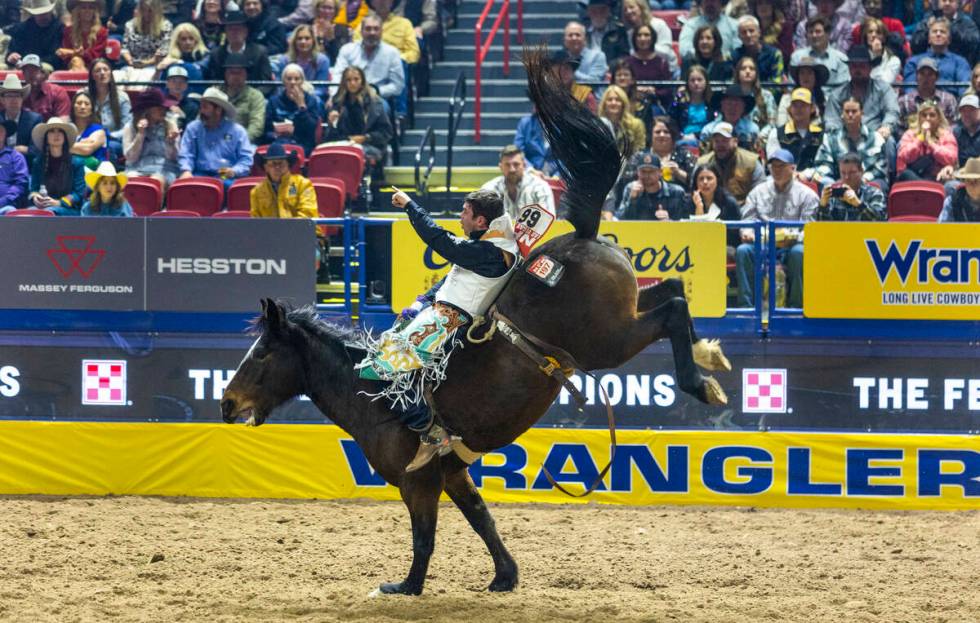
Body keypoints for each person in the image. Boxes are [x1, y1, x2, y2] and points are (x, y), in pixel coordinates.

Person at [357, 188, 518, 471]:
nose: (460, 216)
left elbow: (440, 241)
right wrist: (422, 301)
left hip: (449, 322)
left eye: (465, 212)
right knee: (383, 358)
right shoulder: (489, 245)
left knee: (382, 366)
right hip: (439, 314)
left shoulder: (489, 252)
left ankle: (430, 432)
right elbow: (453, 276)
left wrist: (410, 206)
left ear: (481, 221)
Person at [736, 148, 817, 309]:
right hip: (762, 244)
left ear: (793, 168)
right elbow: (747, 221)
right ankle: (746, 308)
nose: (777, 170)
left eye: (782, 166)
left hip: (791, 245)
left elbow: (809, 229)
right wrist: (747, 233)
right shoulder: (757, 192)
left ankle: (796, 307)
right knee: (743, 250)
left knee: (799, 252)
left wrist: (788, 238)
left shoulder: (808, 195)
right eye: (773, 166)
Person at [178, 86, 255, 187]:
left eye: (205, 107)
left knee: (231, 187)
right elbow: (186, 153)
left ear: (218, 110)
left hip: (226, 176)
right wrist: (186, 170)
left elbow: (246, 159)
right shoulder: (193, 128)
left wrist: (234, 171)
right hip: (199, 174)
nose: (201, 111)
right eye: (201, 107)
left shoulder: (237, 131)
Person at [323, 65, 393, 168]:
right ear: (344, 82)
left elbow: (386, 133)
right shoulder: (337, 102)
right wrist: (332, 123)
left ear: (362, 81)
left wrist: (366, 138)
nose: (353, 83)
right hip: (343, 143)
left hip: (370, 145)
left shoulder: (375, 103)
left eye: (356, 79)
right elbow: (330, 137)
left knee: (354, 154)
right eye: (349, 80)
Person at [823, 45, 898, 141]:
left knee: (890, 141)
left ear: (870, 68)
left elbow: (892, 111)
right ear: (849, 69)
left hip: (876, 136)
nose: (857, 70)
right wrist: (840, 135)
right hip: (844, 139)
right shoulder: (837, 94)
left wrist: (886, 127)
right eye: (854, 66)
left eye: (862, 66)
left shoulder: (883, 89)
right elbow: (831, 120)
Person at [814, 97, 887, 190]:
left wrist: (863, 179)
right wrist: (840, 181)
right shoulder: (830, 138)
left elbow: (880, 168)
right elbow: (824, 163)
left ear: (862, 113)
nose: (850, 115)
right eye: (847, 111)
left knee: (878, 185)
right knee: (825, 182)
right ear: (842, 114)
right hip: (838, 181)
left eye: (854, 111)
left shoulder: (876, 138)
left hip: (868, 181)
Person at [331, 13, 404, 105]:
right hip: (349, 96)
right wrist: (334, 96)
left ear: (382, 31)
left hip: (378, 98)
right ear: (361, 31)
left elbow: (397, 86)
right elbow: (337, 76)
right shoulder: (347, 50)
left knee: (378, 108)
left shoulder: (392, 53)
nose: (372, 33)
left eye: (376, 29)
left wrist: (375, 91)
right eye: (368, 29)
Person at [204, 5, 274, 93]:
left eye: (238, 29)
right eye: (230, 29)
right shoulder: (216, 54)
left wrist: (254, 96)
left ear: (246, 32)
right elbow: (212, 82)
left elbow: (266, 83)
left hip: (253, 98)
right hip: (224, 97)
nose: (234, 33)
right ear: (225, 32)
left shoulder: (259, 52)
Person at [123, 87, 180, 188]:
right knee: (132, 180)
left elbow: (175, 158)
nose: (164, 110)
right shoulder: (130, 126)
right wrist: (140, 135)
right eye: (159, 108)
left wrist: (170, 143)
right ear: (147, 110)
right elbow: (131, 158)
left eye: (164, 107)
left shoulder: (170, 125)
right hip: (137, 168)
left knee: (155, 182)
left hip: (164, 169)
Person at [27, 117, 86, 215]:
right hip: (43, 207)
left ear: (65, 137)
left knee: (49, 212)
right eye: (52, 131)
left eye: (60, 131)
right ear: (46, 137)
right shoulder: (38, 162)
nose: (56, 134)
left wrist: (59, 202)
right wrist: (35, 197)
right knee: (28, 213)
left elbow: (79, 194)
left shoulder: (77, 163)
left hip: (68, 209)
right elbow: (34, 188)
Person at [696, 121, 765, 203]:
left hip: (744, 210)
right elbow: (695, 191)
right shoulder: (702, 163)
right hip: (710, 210)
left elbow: (761, 193)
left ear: (735, 142)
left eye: (725, 141)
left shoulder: (751, 162)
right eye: (716, 141)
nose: (720, 145)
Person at [480, 145, 554, 220]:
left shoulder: (540, 187)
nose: (512, 169)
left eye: (516, 164)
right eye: (507, 165)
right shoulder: (489, 189)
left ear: (524, 165)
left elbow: (548, 222)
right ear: (500, 166)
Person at [903, 17, 971, 96]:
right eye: (934, 31)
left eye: (942, 32)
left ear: (949, 39)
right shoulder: (913, 62)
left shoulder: (960, 62)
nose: (938, 34)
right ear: (929, 39)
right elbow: (909, 90)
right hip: (920, 104)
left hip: (952, 104)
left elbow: (964, 90)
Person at [264, 63, 322, 156]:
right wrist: (275, 134)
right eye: (289, 79)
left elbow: (312, 129)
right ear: (284, 81)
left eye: (296, 79)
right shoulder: (274, 101)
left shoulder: (311, 100)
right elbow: (266, 130)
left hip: (302, 143)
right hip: (278, 142)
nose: (293, 82)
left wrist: (301, 105)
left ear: (302, 81)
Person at [613, 151, 687, 220]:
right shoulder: (630, 188)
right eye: (643, 171)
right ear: (637, 172)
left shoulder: (676, 192)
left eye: (651, 171)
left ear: (660, 172)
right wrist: (632, 200)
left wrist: (669, 222)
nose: (647, 175)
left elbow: (686, 223)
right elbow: (619, 219)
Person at [896, 101, 958, 182]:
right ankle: (925, 188)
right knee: (906, 174)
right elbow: (903, 158)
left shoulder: (946, 135)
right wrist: (920, 139)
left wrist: (931, 144)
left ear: (938, 118)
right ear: (919, 118)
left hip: (937, 178)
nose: (927, 118)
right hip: (912, 178)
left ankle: (926, 188)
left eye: (932, 115)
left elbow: (952, 159)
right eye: (924, 115)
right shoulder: (910, 134)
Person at [767, 87, 823, 177]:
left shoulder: (821, 134)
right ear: (790, 108)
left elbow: (824, 164)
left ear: (812, 108)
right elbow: (773, 161)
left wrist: (806, 175)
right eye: (795, 105)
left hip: (813, 178)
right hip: (784, 177)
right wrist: (791, 174)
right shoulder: (777, 133)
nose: (798, 109)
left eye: (803, 105)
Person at [83, 58, 132, 159]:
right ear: (92, 76)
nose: (102, 73)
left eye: (105, 69)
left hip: (113, 140)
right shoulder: (83, 95)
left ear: (111, 72)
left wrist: (107, 135)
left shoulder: (122, 97)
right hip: (88, 139)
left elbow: (128, 128)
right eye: (98, 70)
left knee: (107, 148)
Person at [817, 151, 886, 221]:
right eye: (843, 173)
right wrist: (823, 206)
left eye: (852, 172)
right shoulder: (832, 195)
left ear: (861, 171)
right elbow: (821, 228)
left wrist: (859, 204)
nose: (847, 177)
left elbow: (880, 222)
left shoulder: (874, 193)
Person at [897, 58, 958, 134]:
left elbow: (954, 126)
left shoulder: (948, 100)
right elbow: (899, 127)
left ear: (937, 77)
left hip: (942, 141)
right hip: (911, 141)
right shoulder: (904, 101)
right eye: (922, 74)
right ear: (916, 76)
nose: (926, 78)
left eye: (930, 74)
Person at [272, 24, 330, 102]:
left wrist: (304, 96)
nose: (303, 42)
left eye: (307, 38)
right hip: (288, 97)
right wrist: (292, 95)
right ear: (294, 41)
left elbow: (321, 89)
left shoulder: (323, 60)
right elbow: (280, 86)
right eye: (299, 39)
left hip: (312, 98)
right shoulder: (284, 60)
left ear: (313, 40)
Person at [620, 0, 679, 76]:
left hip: (668, 70)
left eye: (631, 7)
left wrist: (646, 47)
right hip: (642, 72)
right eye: (625, 9)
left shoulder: (659, 24)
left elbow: (666, 52)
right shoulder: (630, 32)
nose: (628, 11)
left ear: (641, 7)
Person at [789, 16, 850, 90]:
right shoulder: (797, 56)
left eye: (818, 32)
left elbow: (843, 89)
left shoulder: (840, 59)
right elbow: (791, 86)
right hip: (803, 99)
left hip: (832, 100)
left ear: (828, 34)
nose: (814, 35)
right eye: (810, 32)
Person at [911, 0, 979, 65]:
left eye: (951, 1)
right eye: (943, 0)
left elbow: (974, 42)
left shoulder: (966, 22)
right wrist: (928, 29)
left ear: (957, 3)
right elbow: (915, 44)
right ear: (938, 2)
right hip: (929, 62)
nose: (947, 3)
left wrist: (950, 28)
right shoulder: (928, 19)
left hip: (958, 62)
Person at [219, 52, 266, 143]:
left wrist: (238, 142)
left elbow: (256, 126)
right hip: (215, 142)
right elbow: (202, 119)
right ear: (225, 74)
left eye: (239, 73)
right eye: (232, 72)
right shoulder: (215, 92)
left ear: (246, 74)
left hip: (243, 143)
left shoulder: (255, 96)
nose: (235, 76)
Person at [352, 0, 419, 65]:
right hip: (368, 66)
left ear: (392, 2)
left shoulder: (404, 24)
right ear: (372, 2)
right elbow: (356, 50)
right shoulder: (364, 25)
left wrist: (393, 59)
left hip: (397, 67)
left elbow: (414, 53)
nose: (382, 1)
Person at [120, 0, 173, 78]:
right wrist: (130, 61)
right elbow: (124, 48)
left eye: (150, 11)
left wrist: (146, 63)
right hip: (132, 64)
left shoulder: (166, 26)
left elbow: (163, 51)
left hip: (155, 65)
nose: (146, 14)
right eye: (143, 10)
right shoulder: (129, 25)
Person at [6, 0, 64, 71]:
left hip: (47, 67)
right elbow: (11, 52)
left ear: (50, 12)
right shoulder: (23, 28)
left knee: (44, 68)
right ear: (33, 14)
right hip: (21, 66)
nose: (42, 17)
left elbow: (57, 57)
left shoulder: (59, 28)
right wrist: (11, 56)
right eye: (39, 14)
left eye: (45, 13)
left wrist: (32, 63)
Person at [0, 73, 42, 168]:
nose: (14, 100)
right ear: (2, 100)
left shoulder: (35, 119)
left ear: (22, 99)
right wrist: (22, 149)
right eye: (9, 96)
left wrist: (13, 150)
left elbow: (37, 151)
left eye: (17, 96)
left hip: (26, 167)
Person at [701, 84, 760, 150]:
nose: (732, 108)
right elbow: (704, 156)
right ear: (721, 106)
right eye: (728, 104)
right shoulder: (709, 130)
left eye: (737, 104)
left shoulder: (752, 130)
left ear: (744, 107)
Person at [731, 15, 785, 86]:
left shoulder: (774, 54)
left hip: (768, 95)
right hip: (741, 95)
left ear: (759, 32)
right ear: (739, 36)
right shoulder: (733, 56)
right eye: (744, 32)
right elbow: (731, 82)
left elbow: (777, 82)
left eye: (751, 31)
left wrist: (759, 94)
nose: (748, 35)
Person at [777, 56, 828, 125]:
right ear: (798, 77)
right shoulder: (786, 99)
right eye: (802, 73)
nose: (805, 76)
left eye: (809, 73)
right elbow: (781, 124)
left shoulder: (825, 100)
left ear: (815, 77)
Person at [58, 0, 108, 70]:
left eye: (91, 8)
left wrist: (73, 52)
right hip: (72, 66)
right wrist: (76, 54)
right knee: (76, 60)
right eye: (83, 8)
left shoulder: (102, 32)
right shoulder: (68, 31)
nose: (87, 11)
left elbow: (95, 56)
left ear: (95, 11)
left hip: (95, 67)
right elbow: (65, 56)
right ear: (77, 11)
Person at [669, 65, 714, 142]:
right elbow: (671, 120)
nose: (696, 83)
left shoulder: (712, 103)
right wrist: (677, 98)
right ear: (687, 83)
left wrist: (696, 135)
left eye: (699, 80)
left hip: (706, 140)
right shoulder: (680, 103)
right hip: (683, 140)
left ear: (706, 82)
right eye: (692, 80)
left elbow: (713, 125)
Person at [649, 116, 696, 189]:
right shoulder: (641, 156)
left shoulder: (684, 155)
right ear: (651, 135)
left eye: (666, 132)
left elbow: (697, 181)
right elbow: (628, 180)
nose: (662, 135)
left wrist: (678, 172)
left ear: (673, 135)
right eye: (657, 132)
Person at [598, 84, 645, 157]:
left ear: (623, 103)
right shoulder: (597, 124)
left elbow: (640, 149)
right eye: (610, 100)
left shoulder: (636, 124)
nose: (613, 103)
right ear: (604, 104)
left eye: (618, 100)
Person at [155, 22, 207, 86]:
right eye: (183, 39)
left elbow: (197, 69)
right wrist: (158, 71)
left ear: (196, 40)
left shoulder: (205, 55)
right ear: (177, 41)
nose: (188, 42)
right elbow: (155, 84)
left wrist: (178, 61)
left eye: (191, 38)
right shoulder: (170, 58)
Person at [19, 54, 70, 121]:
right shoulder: (19, 95)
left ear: (42, 72)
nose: (31, 74)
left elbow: (63, 120)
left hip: (51, 130)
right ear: (23, 74)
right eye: (28, 70)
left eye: (35, 70)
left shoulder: (58, 92)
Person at [733, 55, 775, 133]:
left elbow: (772, 123)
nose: (748, 71)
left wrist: (761, 135)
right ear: (738, 73)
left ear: (756, 73)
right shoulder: (730, 95)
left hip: (761, 137)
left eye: (752, 69)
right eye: (743, 68)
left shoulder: (767, 95)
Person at [549, 49, 597, 113]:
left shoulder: (585, 95)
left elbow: (593, 120)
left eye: (566, 68)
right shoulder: (545, 94)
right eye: (558, 70)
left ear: (572, 72)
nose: (563, 73)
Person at [513, 105, 555, 176]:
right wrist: (531, 170)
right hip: (530, 174)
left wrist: (557, 175)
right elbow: (518, 151)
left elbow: (567, 155)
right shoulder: (526, 123)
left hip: (557, 176)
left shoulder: (562, 125)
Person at [69, 90, 108, 164]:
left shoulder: (99, 131)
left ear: (92, 109)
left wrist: (63, 146)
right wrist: (81, 143)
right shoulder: (68, 128)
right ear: (73, 107)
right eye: (79, 103)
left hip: (96, 171)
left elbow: (87, 149)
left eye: (87, 104)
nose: (83, 107)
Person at [860, 16, 902, 84]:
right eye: (870, 32)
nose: (873, 35)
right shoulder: (858, 58)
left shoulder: (894, 61)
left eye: (878, 32)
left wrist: (877, 58)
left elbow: (882, 85)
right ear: (865, 36)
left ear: (884, 38)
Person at [586, 0, 629, 65]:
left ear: (608, 12)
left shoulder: (619, 31)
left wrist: (611, 68)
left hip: (611, 71)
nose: (598, 14)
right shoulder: (582, 32)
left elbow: (624, 56)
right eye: (594, 11)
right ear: (589, 13)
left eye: (602, 10)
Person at [564, 20, 607, 84]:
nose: (574, 38)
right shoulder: (560, 59)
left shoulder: (597, 56)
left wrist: (571, 72)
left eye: (577, 35)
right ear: (565, 41)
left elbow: (595, 81)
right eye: (570, 35)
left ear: (585, 39)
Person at [0, 119, 29, 212]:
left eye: (0, 131)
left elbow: (21, 184)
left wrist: (4, 201)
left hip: (6, 206)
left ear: (5, 134)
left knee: (10, 211)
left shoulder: (16, 157)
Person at [312, 0, 351, 65]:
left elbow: (342, 55)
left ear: (335, 12)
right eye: (323, 7)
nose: (326, 11)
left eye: (330, 8)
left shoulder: (342, 29)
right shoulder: (308, 27)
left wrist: (331, 39)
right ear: (317, 9)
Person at [163, 65, 198, 130]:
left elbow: (194, 130)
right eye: (174, 81)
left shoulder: (192, 106)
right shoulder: (161, 103)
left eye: (181, 81)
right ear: (167, 84)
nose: (177, 85)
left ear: (186, 85)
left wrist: (182, 116)